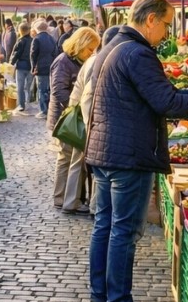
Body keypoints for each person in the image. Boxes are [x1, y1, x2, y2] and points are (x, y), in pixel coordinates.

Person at [85, 0, 188, 302]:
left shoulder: (114, 46)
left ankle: (100, 297)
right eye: (167, 24)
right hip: (128, 155)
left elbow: (161, 95)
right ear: (150, 19)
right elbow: (166, 102)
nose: (168, 32)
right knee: (124, 231)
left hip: (106, 150)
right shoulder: (138, 53)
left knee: (106, 226)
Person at [63, 25, 121, 213]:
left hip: (80, 111)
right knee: (95, 161)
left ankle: (71, 201)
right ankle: (92, 206)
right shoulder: (103, 60)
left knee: (78, 160)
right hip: (88, 115)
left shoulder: (92, 59)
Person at [49, 27, 102, 210]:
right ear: (81, 44)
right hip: (66, 118)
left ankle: (65, 198)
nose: (91, 53)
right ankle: (61, 198)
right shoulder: (63, 62)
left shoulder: (78, 61)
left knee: (70, 158)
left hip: (72, 116)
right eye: (90, 49)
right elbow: (58, 91)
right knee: (66, 158)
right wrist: (76, 110)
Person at [29, 20, 58, 118]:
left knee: (41, 89)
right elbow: (55, 53)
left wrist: (33, 67)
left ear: (37, 29)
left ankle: (43, 110)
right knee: (49, 89)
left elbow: (33, 54)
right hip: (51, 67)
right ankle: (50, 109)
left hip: (40, 68)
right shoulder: (52, 39)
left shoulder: (36, 39)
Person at [8, 23, 33, 113]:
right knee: (28, 86)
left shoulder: (20, 41)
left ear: (20, 31)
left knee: (20, 87)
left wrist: (11, 63)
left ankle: (22, 105)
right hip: (31, 66)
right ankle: (28, 102)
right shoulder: (33, 40)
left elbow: (16, 54)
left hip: (21, 66)